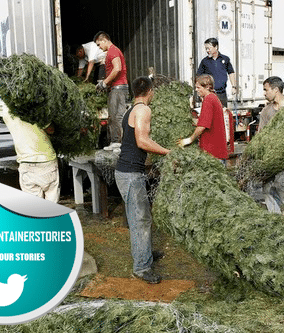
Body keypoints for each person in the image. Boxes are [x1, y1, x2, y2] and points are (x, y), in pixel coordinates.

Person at [114, 76, 170, 284]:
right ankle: (142, 267)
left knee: (141, 218)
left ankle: (144, 253)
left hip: (127, 172)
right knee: (140, 220)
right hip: (130, 174)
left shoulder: (130, 110)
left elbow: (130, 140)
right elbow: (142, 140)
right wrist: (167, 152)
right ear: (150, 91)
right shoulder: (143, 110)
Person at [258, 76, 284, 214]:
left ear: (275, 90)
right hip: (270, 152)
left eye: (266, 89)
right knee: (267, 185)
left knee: (281, 183)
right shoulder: (266, 111)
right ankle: (275, 215)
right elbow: (261, 133)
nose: (264, 93)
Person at [2, 108, 60, 203]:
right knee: (52, 207)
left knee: (35, 209)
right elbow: (50, 129)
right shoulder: (35, 108)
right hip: (47, 162)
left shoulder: (6, 112)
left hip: (26, 165)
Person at [178, 74, 228, 162]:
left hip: (212, 153)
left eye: (198, 87)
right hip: (217, 151)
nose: (196, 90)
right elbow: (206, 121)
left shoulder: (208, 100)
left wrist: (190, 139)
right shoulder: (213, 97)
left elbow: (202, 126)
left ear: (208, 87)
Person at [94, 31, 129, 151]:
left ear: (104, 40)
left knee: (118, 116)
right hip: (115, 88)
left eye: (99, 44)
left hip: (118, 88)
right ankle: (115, 142)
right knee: (113, 116)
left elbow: (117, 68)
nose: (99, 47)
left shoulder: (113, 51)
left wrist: (105, 82)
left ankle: (120, 143)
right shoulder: (110, 52)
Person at [196, 37, 236, 107]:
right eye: (206, 48)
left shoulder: (225, 59)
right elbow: (199, 77)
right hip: (210, 94)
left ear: (216, 47)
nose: (207, 50)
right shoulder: (204, 61)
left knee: (223, 113)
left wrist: (234, 87)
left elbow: (231, 73)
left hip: (222, 94)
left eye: (209, 48)